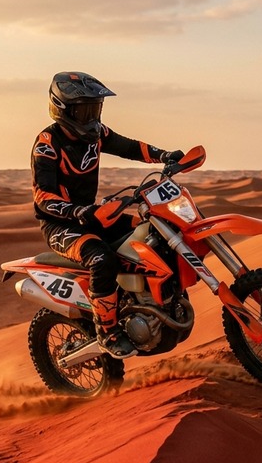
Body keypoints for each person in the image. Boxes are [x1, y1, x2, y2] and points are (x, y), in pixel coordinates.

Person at [31, 71, 184, 359]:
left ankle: (153, 301)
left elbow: (129, 147)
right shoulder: (47, 144)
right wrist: (79, 210)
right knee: (102, 259)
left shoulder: (97, 134)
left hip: (93, 217)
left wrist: (163, 156)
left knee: (151, 230)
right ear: (62, 109)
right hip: (62, 226)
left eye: (95, 108)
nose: (92, 116)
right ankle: (107, 332)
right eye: (84, 109)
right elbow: (43, 198)